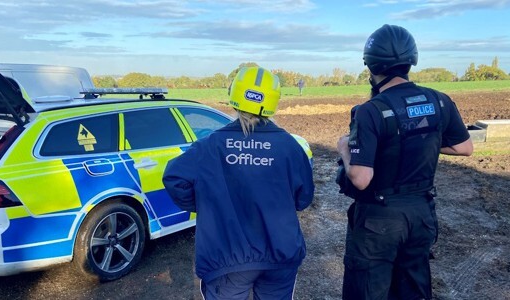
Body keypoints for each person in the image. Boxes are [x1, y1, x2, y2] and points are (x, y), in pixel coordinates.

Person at [336, 24, 473, 300]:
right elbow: (464, 147)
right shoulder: (439, 101)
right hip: (421, 215)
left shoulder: (370, 111)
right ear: (411, 60)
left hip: (379, 219)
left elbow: (361, 178)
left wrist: (344, 150)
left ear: (370, 65)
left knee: (367, 291)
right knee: (412, 290)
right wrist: (423, 141)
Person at [163, 66, 314, 300]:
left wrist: (205, 204)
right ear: (273, 101)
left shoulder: (210, 145)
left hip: (226, 259)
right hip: (280, 253)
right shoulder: (290, 146)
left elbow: (174, 177)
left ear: (233, 95)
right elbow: (303, 199)